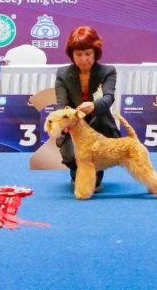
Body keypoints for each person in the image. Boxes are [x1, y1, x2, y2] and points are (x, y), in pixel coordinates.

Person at [55, 25, 119, 191]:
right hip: (74, 127)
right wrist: (68, 120)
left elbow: (108, 98)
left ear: (95, 52)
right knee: (71, 156)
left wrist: (93, 105)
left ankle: (96, 172)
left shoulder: (107, 71)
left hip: (100, 124)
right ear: (72, 54)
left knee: (94, 182)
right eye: (78, 54)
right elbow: (62, 105)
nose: (84, 59)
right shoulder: (62, 74)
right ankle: (76, 171)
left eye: (88, 53)